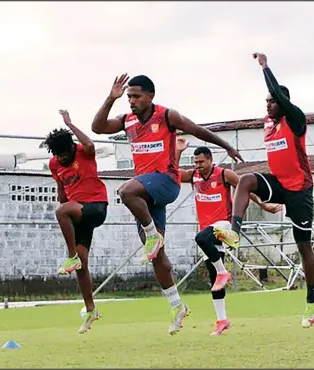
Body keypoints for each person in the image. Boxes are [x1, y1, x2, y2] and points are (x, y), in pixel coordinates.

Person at [91, 74, 243, 335]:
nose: (132, 101)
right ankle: (176, 305)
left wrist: (226, 145)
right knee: (157, 257)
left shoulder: (166, 116)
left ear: (150, 96)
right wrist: (110, 98)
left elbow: (196, 129)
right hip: (147, 192)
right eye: (129, 97)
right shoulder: (126, 121)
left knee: (126, 190)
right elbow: (97, 128)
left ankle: (152, 235)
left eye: (136, 96)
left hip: (166, 181)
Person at [228, 52, 314, 329]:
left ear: (283, 102)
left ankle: (312, 298)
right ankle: (234, 231)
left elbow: (279, 93)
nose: (268, 105)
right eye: (265, 101)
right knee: (244, 181)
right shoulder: (268, 123)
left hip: (299, 189)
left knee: (303, 245)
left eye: (272, 100)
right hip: (278, 183)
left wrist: (265, 67)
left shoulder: (295, 120)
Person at [174, 139, 282, 336]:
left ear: (210, 160)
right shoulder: (194, 176)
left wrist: (265, 206)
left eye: (201, 162)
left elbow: (245, 189)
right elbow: (172, 174)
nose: (198, 166)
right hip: (208, 230)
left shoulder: (223, 174)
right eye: (195, 162)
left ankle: (224, 272)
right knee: (215, 280)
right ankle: (222, 320)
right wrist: (178, 152)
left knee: (201, 239)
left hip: (223, 225)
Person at [45, 110, 108, 334]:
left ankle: (70, 257)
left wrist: (70, 124)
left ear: (72, 147)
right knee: (83, 264)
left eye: (65, 154)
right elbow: (62, 190)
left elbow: (90, 142)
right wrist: (64, 210)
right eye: (58, 156)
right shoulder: (54, 164)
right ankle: (90, 308)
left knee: (61, 211)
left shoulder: (84, 152)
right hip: (77, 211)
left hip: (96, 207)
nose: (62, 158)